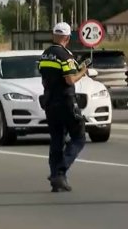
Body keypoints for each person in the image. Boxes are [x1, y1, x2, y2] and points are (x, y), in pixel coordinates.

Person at [38, 22, 88, 192]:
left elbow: (44, 77)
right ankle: (60, 171)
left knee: (57, 140)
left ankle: (56, 179)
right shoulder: (65, 56)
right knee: (79, 137)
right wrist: (82, 71)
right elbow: (70, 80)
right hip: (66, 101)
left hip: (50, 103)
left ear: (54, 35)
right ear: (67, 38)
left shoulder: (45, 55)